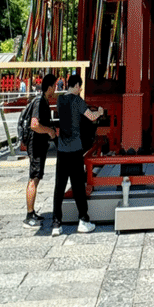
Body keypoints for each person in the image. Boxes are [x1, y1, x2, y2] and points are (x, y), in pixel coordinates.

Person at [49, 74, 104, 236]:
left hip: (62, 150)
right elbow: (91, 117)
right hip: (75, 149)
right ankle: (83, 220)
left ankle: (56, 223)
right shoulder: (77, 100)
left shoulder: (60, 100)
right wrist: (99, 112)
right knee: (78, 186)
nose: (80, 90)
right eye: (80, 87)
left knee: (59, 187)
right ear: (76, 85)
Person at [24, 74, 58, 227]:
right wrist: (49, 131)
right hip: (36, 144)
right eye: (54, 86)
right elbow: (34, 125)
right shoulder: (39, 102)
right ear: (49, 87)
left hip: (40, 144)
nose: (55, 89)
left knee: (36, 177)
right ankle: (29, 214)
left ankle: (32, 212)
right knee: (34, 178)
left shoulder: (43, 100)